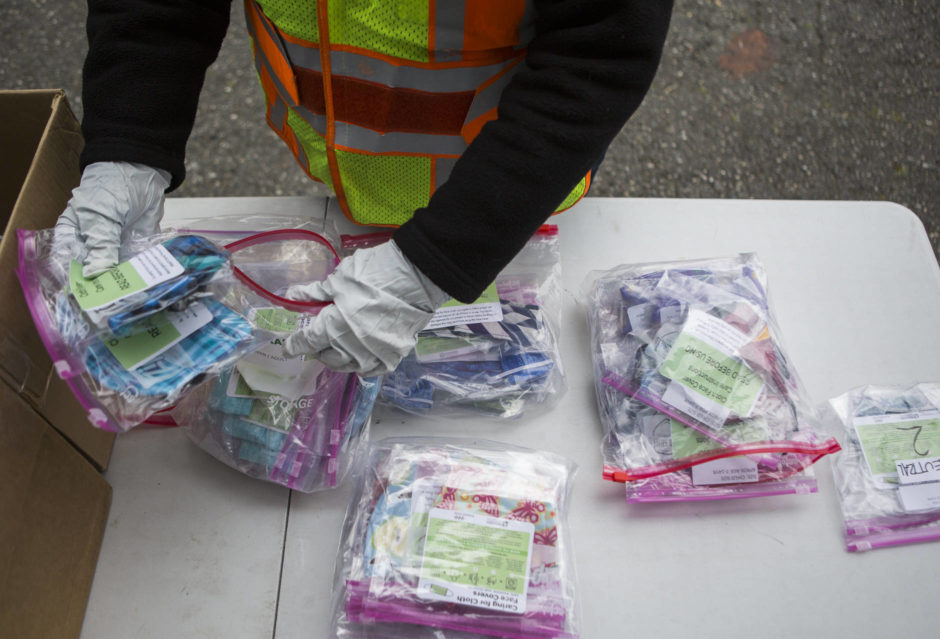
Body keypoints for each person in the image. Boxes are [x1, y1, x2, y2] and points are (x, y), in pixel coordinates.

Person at [59, 0, 673, 376]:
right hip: (348, 186)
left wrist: (437, 262)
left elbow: (602, 48)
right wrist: (128, 145)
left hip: (511, 203)